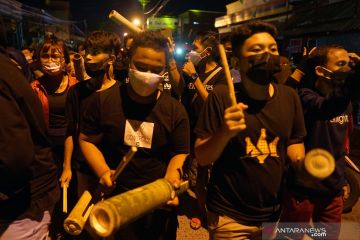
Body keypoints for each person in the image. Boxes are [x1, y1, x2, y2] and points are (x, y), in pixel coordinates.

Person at [194, 20, 306, 240]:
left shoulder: (290, 96)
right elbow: (202, 156)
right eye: (257, 50)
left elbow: (294, 142)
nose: (267, 54)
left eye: (272, 49)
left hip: (272, 214)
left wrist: (304, 164)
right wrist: (225, 132)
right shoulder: (221, 96)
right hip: (229, 216)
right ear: (236, 61)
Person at [79, 30, 190, 240]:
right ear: (128, 62)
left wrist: (169, 184)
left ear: (164, 70)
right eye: (141, 67)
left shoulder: (175, 111)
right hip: (116, 202)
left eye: (156, 69)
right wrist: (102, 171)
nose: (147, 73)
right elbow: (86, 140)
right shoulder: (103, 102)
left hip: (157, 203)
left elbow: (180, 152)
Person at [280, 45, 360, 239]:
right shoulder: (305, 97)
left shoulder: (346, 102)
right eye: (341, 65)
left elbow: (342, 141)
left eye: (349, 65)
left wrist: (340, 178)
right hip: (302, 191)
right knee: (290, 236)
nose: (347, 69)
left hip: (332, 191)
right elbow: (327, 107)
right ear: (320, 71)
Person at [0, 44, 59, 239]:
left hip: (29, 190)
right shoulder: (33, 86)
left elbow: (14, 156)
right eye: (46, 56)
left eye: (55, 56)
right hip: (42, 153)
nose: (50, 61)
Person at [60, 30, 121, 198]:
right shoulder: (76, 92)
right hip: (83, 168)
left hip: (115, 170)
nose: (87, 57)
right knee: (85, 216)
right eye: (87, 51)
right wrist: (66, 167)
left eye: (95, 53)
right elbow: (70, 132)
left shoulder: (123, 93)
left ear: (111, 59)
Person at [182, 30, 227, 228]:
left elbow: (213, 103)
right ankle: (201, 211)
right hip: (192, 131)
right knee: (197, 177)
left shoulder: (222, 75)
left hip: (211, 133)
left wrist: (194, 77)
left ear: (207, 51)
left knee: (212, 176)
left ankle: (214, 212)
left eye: (195, 48)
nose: (191, 52)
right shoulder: (194, 69)